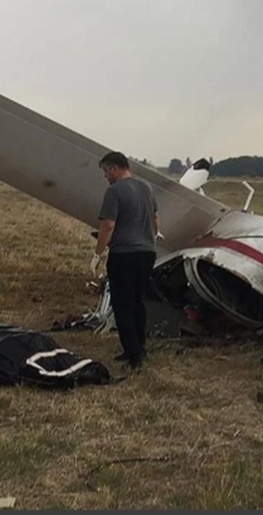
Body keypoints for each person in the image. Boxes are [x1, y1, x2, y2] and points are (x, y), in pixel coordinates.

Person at [93, 151, 160, 371]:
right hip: (147, 253)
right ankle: (139, 347)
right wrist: (150, 237)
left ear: (114, 168)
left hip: (124, 254)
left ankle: (134, 357)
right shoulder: (146, 188)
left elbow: (108, 225)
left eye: (105, 171)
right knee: (138, 302)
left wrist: (98, 253)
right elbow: (155, 219)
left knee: (122, 305)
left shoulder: (114, 191)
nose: (105, 177)